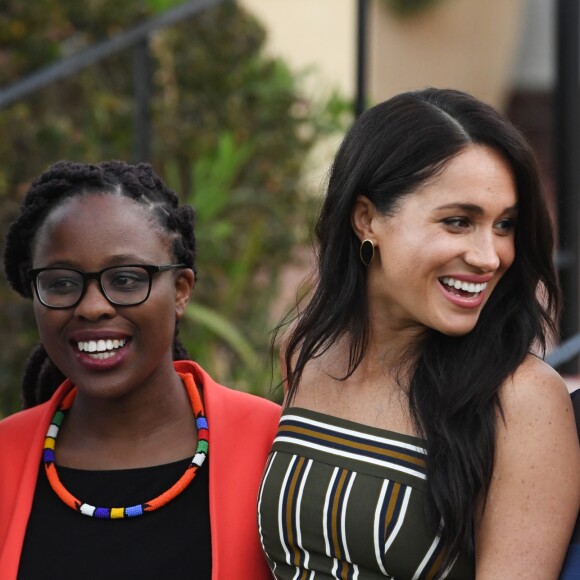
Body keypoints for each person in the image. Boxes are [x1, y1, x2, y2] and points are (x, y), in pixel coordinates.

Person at [257, 88, 580, 579]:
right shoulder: (307, 350)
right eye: (458, 221)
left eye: (504, 225)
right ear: (367, 219)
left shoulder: (522, 399)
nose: (489, 257)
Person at [0, 160, 280, 579]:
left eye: (127, 279)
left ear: (181, 290)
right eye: (61, 282)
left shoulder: (273, 446)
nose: (93, 306)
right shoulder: (6, 457)